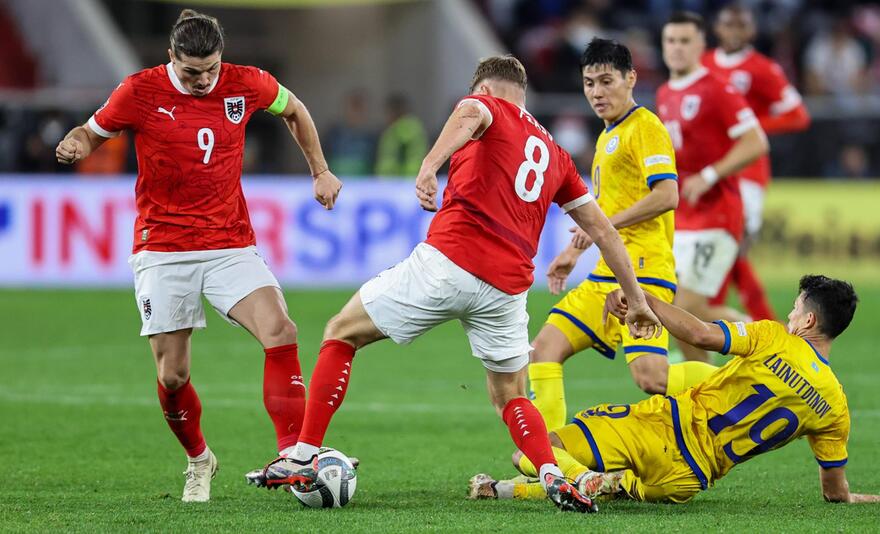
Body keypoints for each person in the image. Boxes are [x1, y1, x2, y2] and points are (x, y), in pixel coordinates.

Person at [246, 55, 661, 513]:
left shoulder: (487, 107)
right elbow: (603, 230)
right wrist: (638, 301)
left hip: (450, 262)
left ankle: (303, 455)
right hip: (507, 289)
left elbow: (470, 114)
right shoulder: (557, 156)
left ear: (484, 89)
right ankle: (553, 475)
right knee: (511, 395)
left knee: (341, 332)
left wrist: (429, 166)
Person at [54, 9, 342, 502]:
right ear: (171, 58)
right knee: (173, 375)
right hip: (162, 248)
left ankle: (293, 456)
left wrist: (319, 170)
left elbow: (295, 109)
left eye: (211, 68)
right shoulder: (139, 91)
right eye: (192, 72)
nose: (205, 80)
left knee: (282, 330)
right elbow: (92, 131)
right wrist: (75, 143)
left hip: (229, 241)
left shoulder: (245, 83)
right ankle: (199, 459)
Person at [470, 275, 880, 506]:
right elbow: (834, 490)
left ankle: (582, 479)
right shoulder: (835, 405)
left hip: (661, 429)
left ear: (809, 322)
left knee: (531, 450)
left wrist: (642, 298)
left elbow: (702, 335)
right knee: (619, 488)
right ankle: (505, 489)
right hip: (684, 482)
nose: (790, 314)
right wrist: (853, 498)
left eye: (796, 308)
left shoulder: (775, 337)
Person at [529, 37, 716, 435]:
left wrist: (603, 228)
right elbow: (602, 212)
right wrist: (574, 250)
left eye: (606, 81)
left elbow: (667, 195)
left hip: (645, 272)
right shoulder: (607, 135)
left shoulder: (645, 127)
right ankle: (546, 461)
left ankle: (739, 384)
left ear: (631, 78)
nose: (597, 92)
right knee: (543, 350)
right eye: (589, 82)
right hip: (604, 275)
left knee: (651, 377)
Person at [656, 11, 769, 363]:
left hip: (718, 214)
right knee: (683, 315)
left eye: (685, 41)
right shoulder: (664, 92)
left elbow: (755, 142)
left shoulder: (717, 88)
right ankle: (702, 387)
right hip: (682, 217)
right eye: (671, 41)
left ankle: (769, 342)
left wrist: (709, 175)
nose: (677, 48)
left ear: (702, 45)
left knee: (687, 309)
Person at [703, 4, 811, 322]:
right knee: (725, 250)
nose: (734, 31)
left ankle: (709, 324)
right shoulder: (704, 64)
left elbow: (798, 115)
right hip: (712, 170)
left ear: (751, 31)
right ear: (717, 29)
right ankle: (764, 327)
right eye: (728, 25)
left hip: (748, 170)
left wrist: (754, 127)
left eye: (741, 26)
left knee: (730, 247)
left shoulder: (763, 68)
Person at [374, 94, 428, 178]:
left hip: (402, 181)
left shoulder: (402, 130)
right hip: (404, 179)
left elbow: (390, 161)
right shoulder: (392, 130)